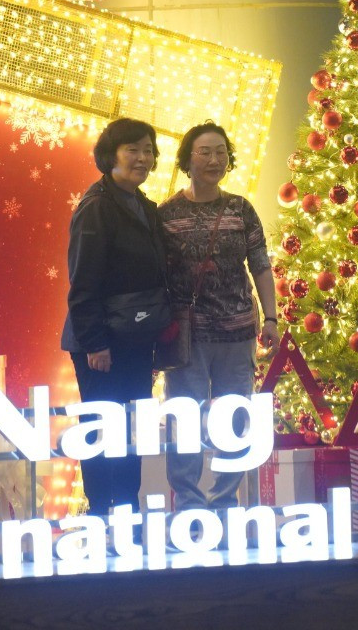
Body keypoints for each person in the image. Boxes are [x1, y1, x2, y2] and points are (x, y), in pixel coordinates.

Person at [157, 122, 274, 511]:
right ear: (188, 159)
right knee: (185, 419)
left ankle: (225, 501)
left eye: (221, 151)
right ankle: (188, 502)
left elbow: (260, 265)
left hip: (238, 331)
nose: (214, 159)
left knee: (235, 417)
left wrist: (270, 317)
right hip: (188, 337)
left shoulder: (241, 208)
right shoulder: (166, 213)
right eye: (205, 152)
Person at [62, 116, 169, 518]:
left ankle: (128, 511)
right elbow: (83, 283)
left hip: (136, 339)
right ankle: (100, 514)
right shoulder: (96, 208)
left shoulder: (142, 206)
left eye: (148, 150)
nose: (142, 158)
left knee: (132, 431)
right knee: (103, 430)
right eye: (132, 150)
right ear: (111, 156)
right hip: (102, 344)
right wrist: (96, 344)